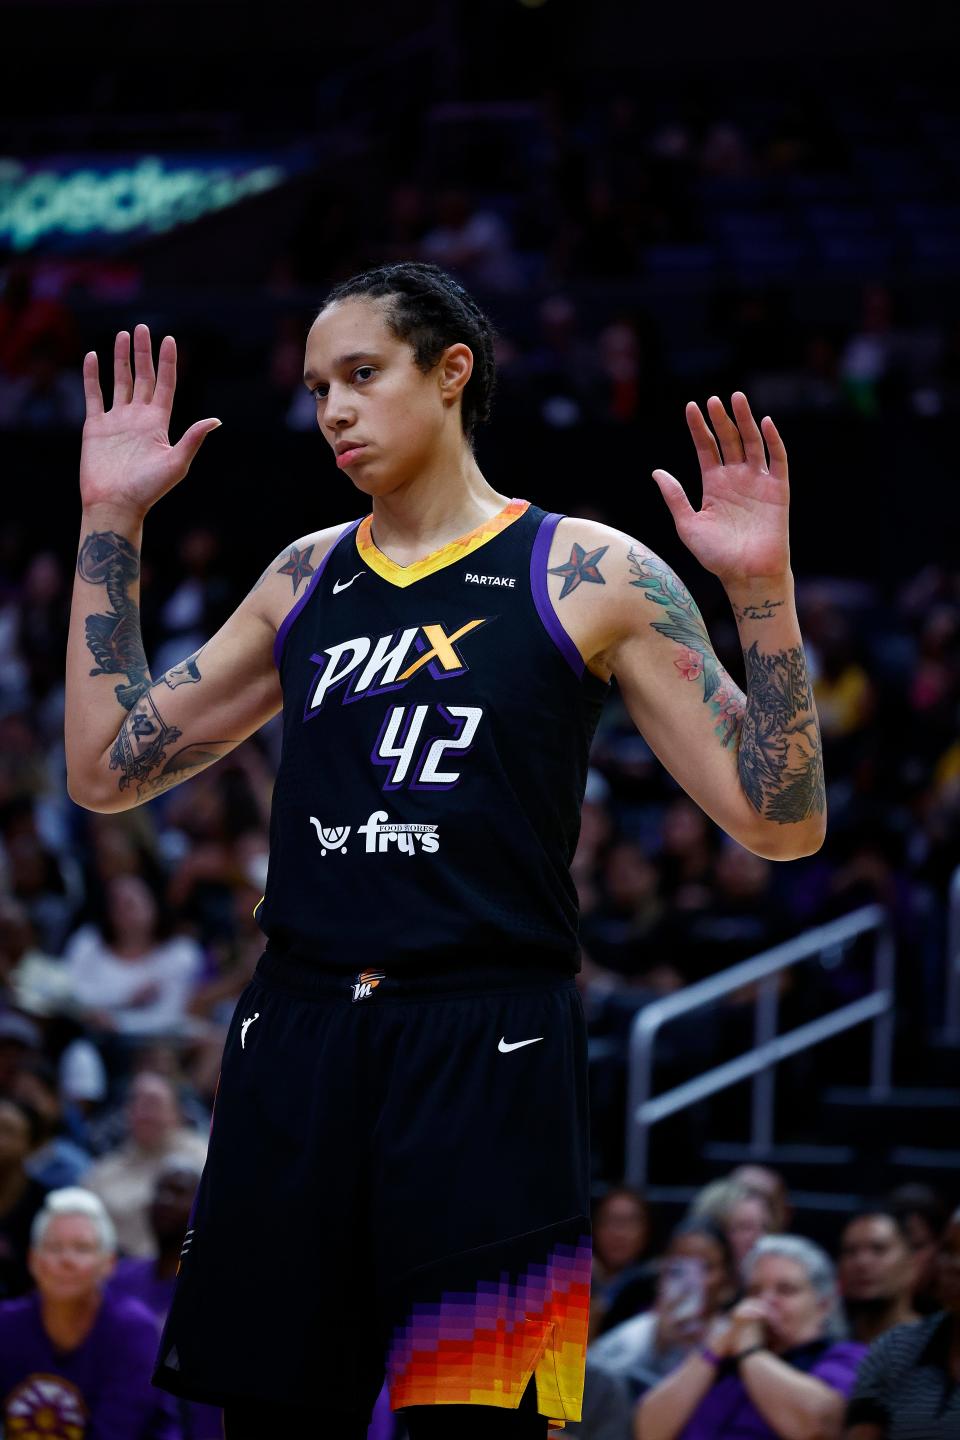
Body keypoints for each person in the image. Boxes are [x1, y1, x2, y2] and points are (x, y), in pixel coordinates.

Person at [65, 262, 826, 1437]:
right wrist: (111, 517)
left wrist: (763, 592)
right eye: (319, 386)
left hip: (491, 1038)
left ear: (452, 372)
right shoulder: (303, 576)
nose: (333, 410)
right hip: (299, 1035)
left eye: (362, 375)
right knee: (267, 1417)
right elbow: (105, 768)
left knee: (480, 1425)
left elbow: (782, 822)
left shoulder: (592, 571)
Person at [636, 1235, 864, 1439]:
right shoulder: (719, 1362)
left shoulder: (845, 1356)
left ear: (823, 1304)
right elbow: (648, 1430)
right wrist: (715, 1347)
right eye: (755, 1291)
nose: (765, 1301)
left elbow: (817, 1425)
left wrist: (750, 1352)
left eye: (785, 1290)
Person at [0, 1187, 177, 1439]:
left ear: (109, 1263)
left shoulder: (133, 1330)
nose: (66, 1260)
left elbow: (118, 1432)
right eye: (53, 1247)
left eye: (82, 1248)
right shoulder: (6, 1324)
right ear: (33, 1260)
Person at [844, 1205, 960, 1439]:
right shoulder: (893, 1349)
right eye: (949, 1251)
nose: (956, 1264)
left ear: (913, 1260)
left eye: (878, 1249)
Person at [590, 1219, 737, 1397]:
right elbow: (592, 1384)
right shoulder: (638, 1332)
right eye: (680, 1268)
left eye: (705, 1267)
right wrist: (657, 1342)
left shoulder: (734, 1337)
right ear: (663, 1274)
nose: (692, 1280)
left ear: (727, 1279)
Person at [81, 1071, 207, 1257]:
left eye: (153, 1103)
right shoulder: (102, 1173)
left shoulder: (203, 1158)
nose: (144, 1112)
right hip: (119, 1273)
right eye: (136, 1103)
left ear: (176, 1112)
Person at [838, 1208, 919, 1345]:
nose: (862, 1262)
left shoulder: (934, 1343)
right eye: (850, 1251)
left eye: (878, 1249)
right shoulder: (826, 1343)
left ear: (911, 1262)